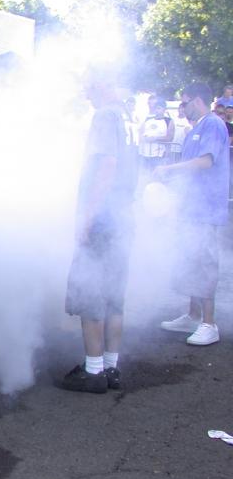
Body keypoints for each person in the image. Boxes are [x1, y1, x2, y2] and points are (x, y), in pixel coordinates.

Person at [57, 69, 138, 393]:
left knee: (91, 293)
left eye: (89, 87)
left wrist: (87, 219)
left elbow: (106, 166)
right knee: (114, 297)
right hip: (123, 220)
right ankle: (111, 367)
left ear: (103, 83)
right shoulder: (126, 115)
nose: (86, 94)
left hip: (104, 221)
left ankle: (93, 373)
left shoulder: (105, 115)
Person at [153, 82, 230, 346]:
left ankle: (209, 324)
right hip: (191, 207)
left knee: (205, 263)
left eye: (185, 102)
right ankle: (194, 316)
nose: (182, 108)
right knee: (192, 260)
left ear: (197, 101)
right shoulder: (195, 129)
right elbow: (189, 172)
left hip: (206, 208)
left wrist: (169, 169)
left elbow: (205, 162)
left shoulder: (213, 125)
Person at [138, 98, 174, 174]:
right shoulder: (148, 119)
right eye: (156, 108)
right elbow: (140, 133)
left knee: (157, 174)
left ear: (164, 109)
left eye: (159, 108)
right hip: (145, 153)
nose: (157, 110)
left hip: (159, 154)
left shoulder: (168, 121)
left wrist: (155, 139)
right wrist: (144, 139)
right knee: (144, 174)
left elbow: (169, 137)